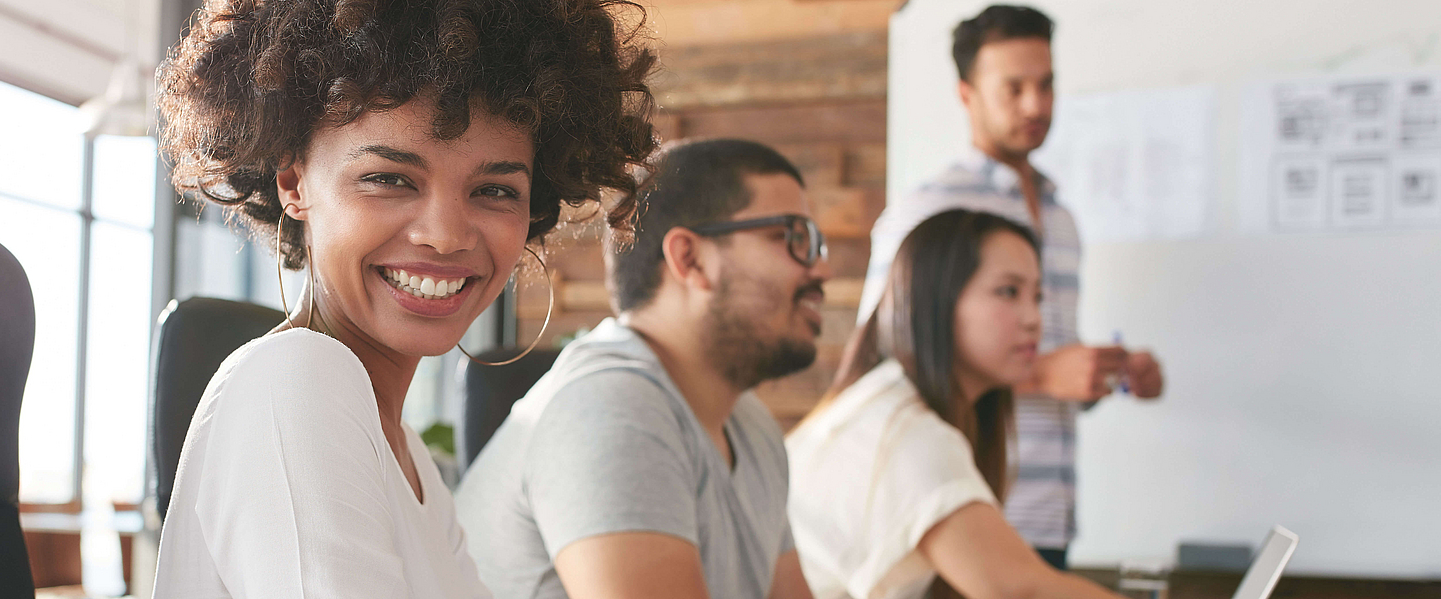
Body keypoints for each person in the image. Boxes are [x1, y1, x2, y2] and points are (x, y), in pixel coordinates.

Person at [149, 0, 657, 596]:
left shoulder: (412, 462)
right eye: (390, 179)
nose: (445, 234)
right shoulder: (295, 381)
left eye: (494, 189)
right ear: (294, 182)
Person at [858, 4, 1165, 570]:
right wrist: (1045, 372)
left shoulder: (1064, 219)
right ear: (966, 94)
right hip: (960, 511)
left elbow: (1031, 356)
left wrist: (1103, 374)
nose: (1037, 105)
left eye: (1047, 86)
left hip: (1052, 514)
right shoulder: (930, 210)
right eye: (1014, 88)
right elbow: (881, 357)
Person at [457, 139, 826, 599]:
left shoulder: (750, 427)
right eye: (793, 237)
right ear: (690, 259)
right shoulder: (609, 409)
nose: (822, 267)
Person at [790, 209, 1129, 599]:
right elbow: (1022, 592)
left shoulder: (896, 401)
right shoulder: (905, 430)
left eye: (1037, 297)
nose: (1035, 319)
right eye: (1008, 292)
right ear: (936, 298)